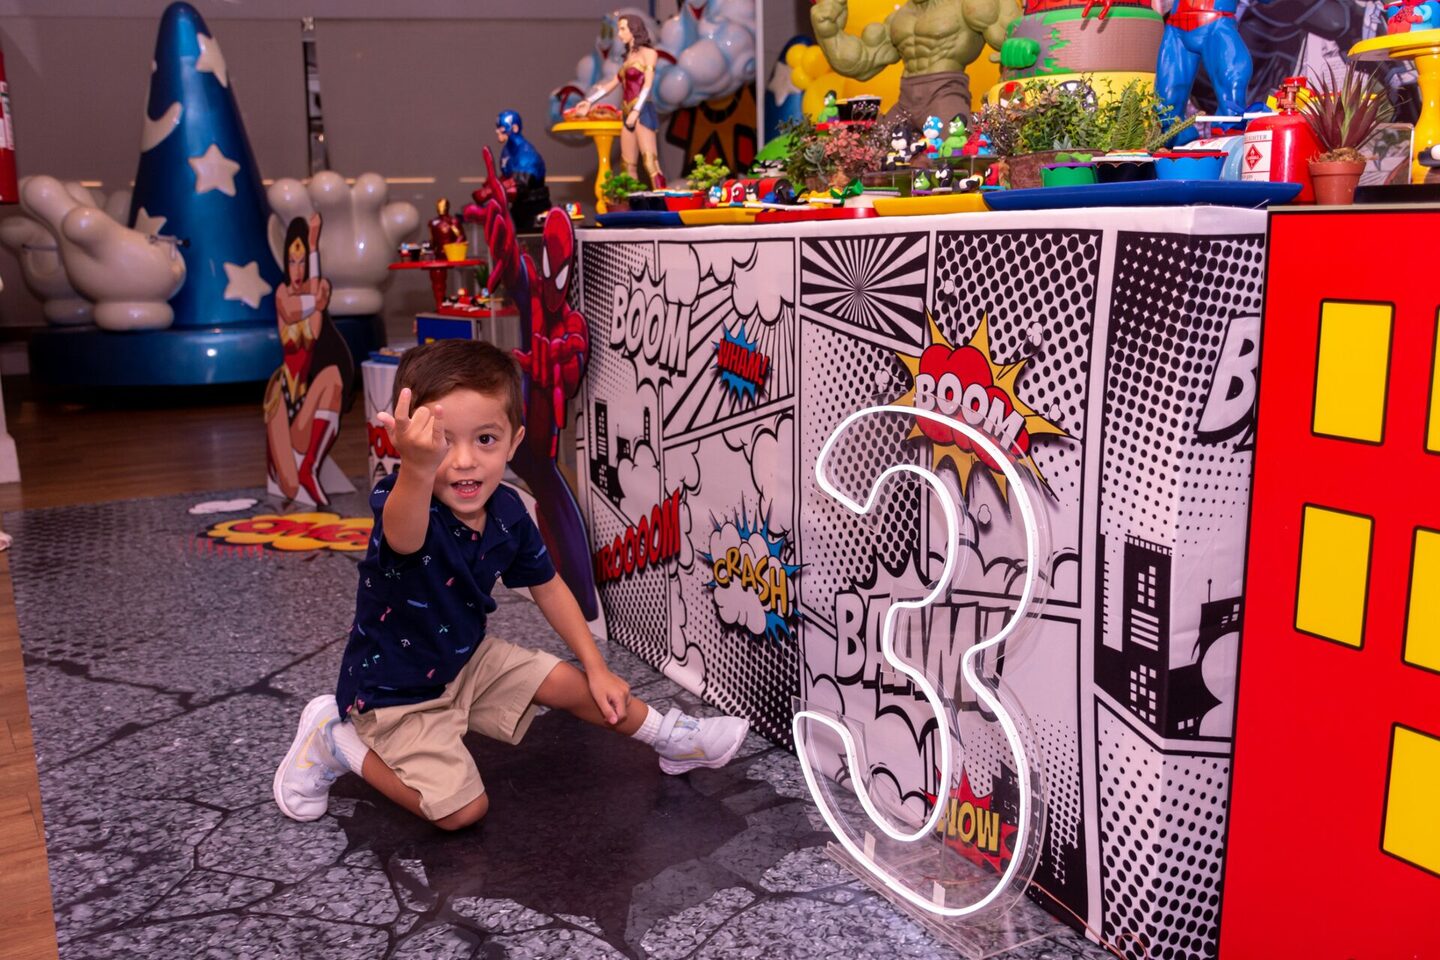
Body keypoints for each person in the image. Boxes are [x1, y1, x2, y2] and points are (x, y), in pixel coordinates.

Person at [273, 340, 750, 830]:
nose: (463, 461)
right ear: (410, 441)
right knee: (462, 813)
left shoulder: (508, 511)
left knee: (568, 680)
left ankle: (671, 739)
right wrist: (415, 467)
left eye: (485, 439)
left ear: (514, 442)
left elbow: (548, 586)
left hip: (464, 659)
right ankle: (335, 739)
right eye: (441, 441)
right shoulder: (400, 499)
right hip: (394, 691)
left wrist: (597, 666)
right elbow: (404, 534)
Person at [264, 214, 353, 506]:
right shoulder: (282, 295)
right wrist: (315, 296)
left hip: (306, 400)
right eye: (292, 261)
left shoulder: (317, 293)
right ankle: (298, 473)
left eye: (302, 261)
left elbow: (316, 297)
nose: (297, 269)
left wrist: (313, 247)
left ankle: (309, 467)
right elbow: (293, 310)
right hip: (283, 398)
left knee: (333, 379)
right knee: (288, 486)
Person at [571, 13, 667, 189]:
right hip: (627, 112)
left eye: (623, 29)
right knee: (628, 165)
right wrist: (589, 101)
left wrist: (637, 111)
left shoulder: (649, 53)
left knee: (650, 161)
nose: (619, 33)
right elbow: (612, 84)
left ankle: (663, 203)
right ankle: (634, 206)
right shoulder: (627, 58)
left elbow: (648, 85)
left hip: (642, 110)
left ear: (634, 29)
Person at [494, 110, 553, 230]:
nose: (498, 131)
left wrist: (492, 191)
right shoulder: (507, 150)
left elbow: (520, 185)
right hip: (518, 208)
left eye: (502, 128)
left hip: (534, 209)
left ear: (514, 128)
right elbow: (506, 177)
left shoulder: (525, 153)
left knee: (530, 243)